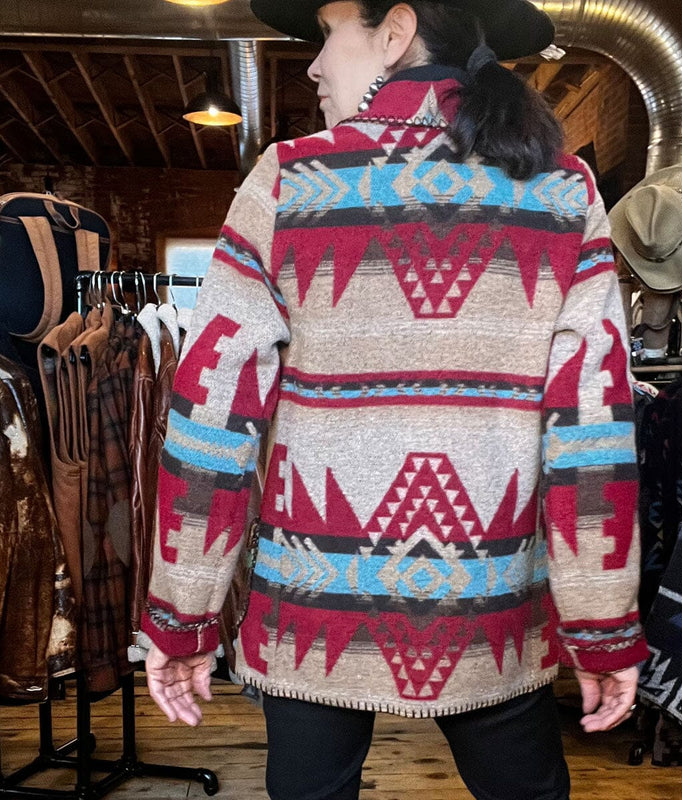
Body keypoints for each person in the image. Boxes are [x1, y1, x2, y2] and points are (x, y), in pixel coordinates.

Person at [143, 1, 648, 798]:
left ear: (396, 30)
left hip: (313, 608)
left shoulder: (288, 180)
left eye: (327, 33)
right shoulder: (560, 190)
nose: (313, 66)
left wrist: (183, 617)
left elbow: (213, 415)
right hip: (488, 608)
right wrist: (602, 626)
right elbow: (592, 426)